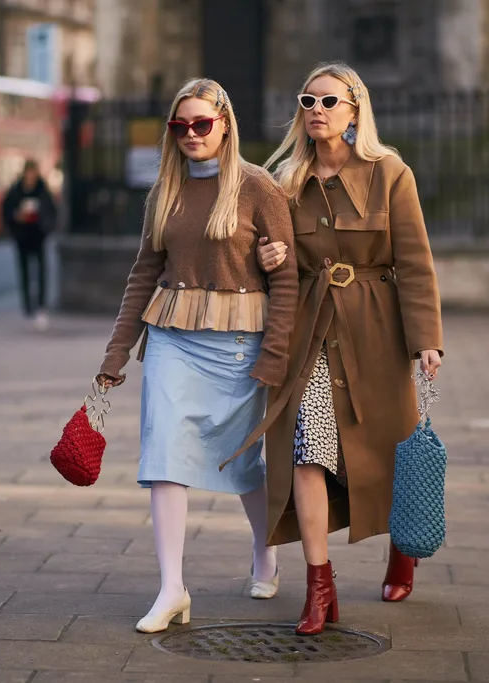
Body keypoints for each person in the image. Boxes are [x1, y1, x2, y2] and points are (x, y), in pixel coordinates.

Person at [230, 62, 444, 635]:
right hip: (309, 333)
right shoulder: (283, 182)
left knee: (388, 449)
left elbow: (416, 263)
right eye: (308, 100)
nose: (316, 110)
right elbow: (262, 254)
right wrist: (268, 259)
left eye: (329, 101)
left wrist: (426, 340)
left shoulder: (390, 173)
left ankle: (404, 548)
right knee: (308, 450)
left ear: (355, 110)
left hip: (376, 332)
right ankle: (319, 587)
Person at [96, 78, 299, 633]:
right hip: (170, 338)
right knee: (162, 456)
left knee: (241, 462)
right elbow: (144, 272)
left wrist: (275, 357)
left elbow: (287, 282)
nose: (190, 134)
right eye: (180, 126)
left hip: (239, 343)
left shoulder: (259, 189)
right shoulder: (165, 190)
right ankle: (171, 588)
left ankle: (265, 550)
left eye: (201, 124)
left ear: (225, 124)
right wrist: (117, 351)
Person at [2, 159, 58, 330]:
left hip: (38, 236)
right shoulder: (16, 191)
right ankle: (28, 305)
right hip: (22, 236)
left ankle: (41, 305)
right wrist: (16, 217)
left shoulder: (42, 190)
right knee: (24, 271)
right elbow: (6, 210)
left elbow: (51, 211)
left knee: (41, 271)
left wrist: (44, 224)